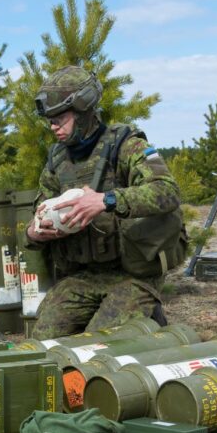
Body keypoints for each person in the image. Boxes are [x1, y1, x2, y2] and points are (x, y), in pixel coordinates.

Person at [24, 66, 187, 340]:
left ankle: (151, 322)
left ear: (83, 110)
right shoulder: (57, 161)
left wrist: (106, 200)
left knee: (97, 346)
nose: (53, 127)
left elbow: (168, 191)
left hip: (133, 275)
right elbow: (38, 213)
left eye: (60, 118)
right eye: (50, 120)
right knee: (41, 344)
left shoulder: (126, 145)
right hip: (83, 277)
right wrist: (34, 232)